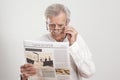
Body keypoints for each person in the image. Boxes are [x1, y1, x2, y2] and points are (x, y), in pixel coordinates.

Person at [20, 3, 96, 80]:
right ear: (46, 23)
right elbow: (28, 76)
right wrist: (25, 77)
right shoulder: (39, 42)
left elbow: (88, 73)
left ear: (67, 22)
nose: (56, 29)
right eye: (52, 25)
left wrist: (73, 45)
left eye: (60, 25)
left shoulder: (77, 39)